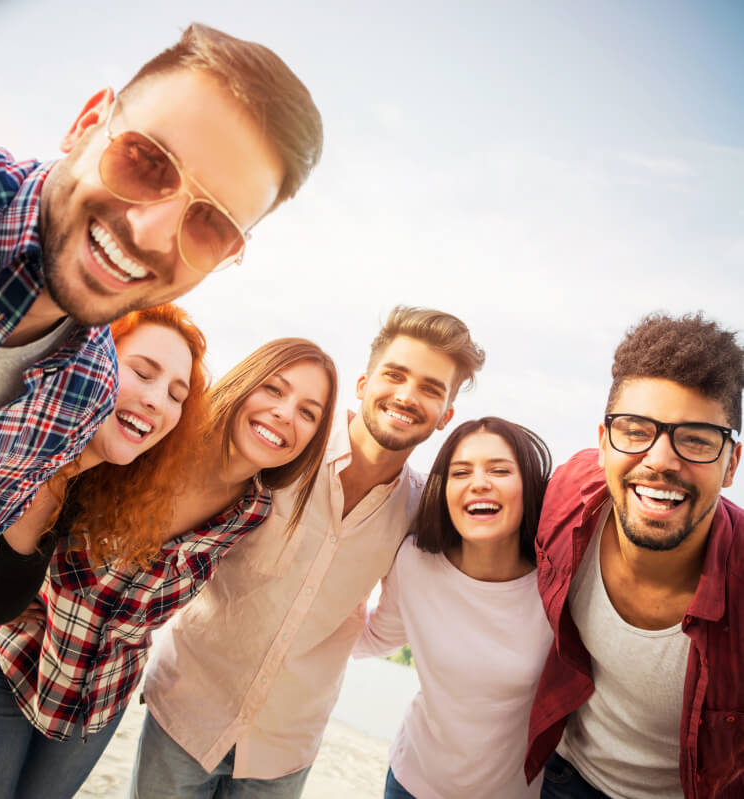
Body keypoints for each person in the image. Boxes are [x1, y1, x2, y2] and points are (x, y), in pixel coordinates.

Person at [0, 21, 323, 679]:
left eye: (210, 222)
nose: (148, 229)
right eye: (145, 159)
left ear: (229, 256)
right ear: (85, 123)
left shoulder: (85, 388)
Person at [0, 331, 337, 799]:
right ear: (244, 384)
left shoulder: (251, 514)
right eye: (274, 388)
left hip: (98, 702)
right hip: (14, 661)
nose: (284, 413)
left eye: (308, 412)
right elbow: (45, 484)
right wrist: (13, 588)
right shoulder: (151, 442)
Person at [131, 305, 486, 799]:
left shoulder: (422, 509)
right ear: (363, 384)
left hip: (285, 748)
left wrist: (326, 638)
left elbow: (392, 625)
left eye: (430, 388)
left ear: (446, 415)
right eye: (396, 375)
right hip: (185, 710)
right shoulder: (283, 444)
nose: (407, 396)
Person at [525, 313, 743, 799]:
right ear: (602, 445)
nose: (661, 460)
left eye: (696, 440)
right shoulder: (566, 499)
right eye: (636, 429)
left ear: (731, 463)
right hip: (565, 776)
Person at [354, 417, 554, 799]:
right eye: (460, 472)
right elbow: (378, 635)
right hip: (412, 782)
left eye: (499, 469)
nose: (479, 482)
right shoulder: (415, 563)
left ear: (529, 485)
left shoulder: (556, 587)